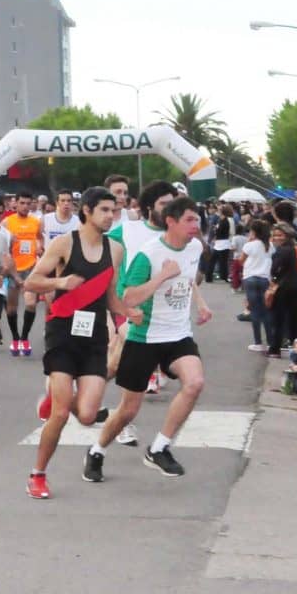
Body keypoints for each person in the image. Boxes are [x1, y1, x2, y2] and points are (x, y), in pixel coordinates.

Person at [23, 188, 139, 497]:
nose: (110, 216)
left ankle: (53, 396)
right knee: (61, 414)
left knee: (87, 415)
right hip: (62, 332)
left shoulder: (115, 249)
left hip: (94, 338)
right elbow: (32, 281)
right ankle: (38, 475)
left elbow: (110, 296)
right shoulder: (64, 244)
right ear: (86, 211)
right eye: (104, 210)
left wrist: (129, 313)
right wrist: (60, 282)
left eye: (113, 211)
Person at [87, 196, 213, 482]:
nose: (196, 225)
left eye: (197, 219)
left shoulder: (194, 247)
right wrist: (162, 278)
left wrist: (201, 303)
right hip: (144, 337)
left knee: (194, 383)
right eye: (189, 220)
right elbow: (128, 296)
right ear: (171, 221)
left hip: (178, 335)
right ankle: (97, 451)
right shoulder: (149, 254)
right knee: (128, 410)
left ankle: (159, 448)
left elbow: (188, 277)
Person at [102, 181, 178, 445]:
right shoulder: (128, 230)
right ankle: (123, 423)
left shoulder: (174, 236)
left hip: (158, 312)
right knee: (133, 361)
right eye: (164, 204)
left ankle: (80, 389)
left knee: (115, 364)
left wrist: (200, 303)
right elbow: (96, 249)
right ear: (149, 208)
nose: (171, 209)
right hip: (128, 306)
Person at [2, 190, 42, 356]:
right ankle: (15, 338)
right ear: (15, 203)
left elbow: (39, 237)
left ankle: (25, 338)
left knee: (31, 304)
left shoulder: (36, 222)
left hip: (31, 267)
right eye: (22, 203)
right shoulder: (7, 222)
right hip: (13, 269)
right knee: (12, 308)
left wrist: (39, 245)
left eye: (28, 203)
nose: (25, 206)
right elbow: (2, 246)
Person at [266, 224, 297, 358]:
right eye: (275, 235)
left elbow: (275, 269)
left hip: (281, 288)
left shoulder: (281, 251)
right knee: (291, 319)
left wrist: (274, 278)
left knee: (277, 319)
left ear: (287, 236)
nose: (276, 238)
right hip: (293, 286)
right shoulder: (294, 248)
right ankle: (295, 349)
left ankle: (274, 349)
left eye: (280, 235)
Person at [239, 219, 273, 351]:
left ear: (253, 232)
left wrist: (249, 241)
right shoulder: (269, 246)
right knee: (266, 311)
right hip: (265, 278)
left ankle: (258, 342)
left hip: (250, 278)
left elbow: (241, 260)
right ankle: (270, 341)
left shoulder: (250, 245)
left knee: (254, 310)